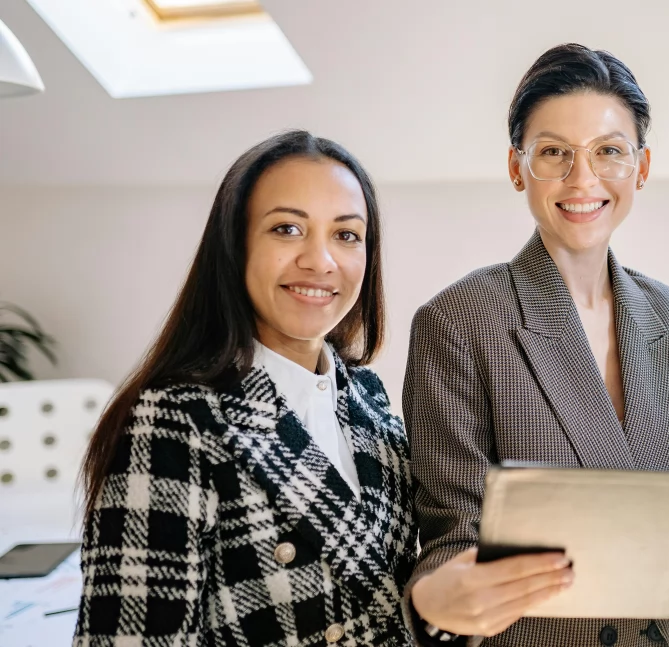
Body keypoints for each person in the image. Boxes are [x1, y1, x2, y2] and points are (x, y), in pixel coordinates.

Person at [73, 130, 567, 647]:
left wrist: (439, 611)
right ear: (235, 245)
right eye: (287, 229)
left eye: (346, 235)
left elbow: (390, 611)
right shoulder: (173, 420)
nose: (320, 260)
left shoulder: (369, 403)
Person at [402, 44, 669, 647]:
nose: (582, 179)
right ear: (518, 168)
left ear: (641, 167)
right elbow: (449, 544)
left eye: (608, 152)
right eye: (554, 153)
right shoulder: (459, 321)